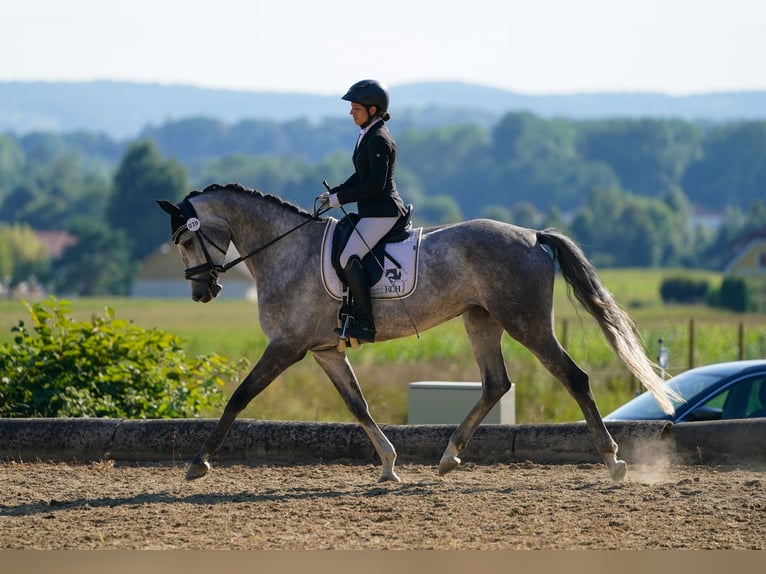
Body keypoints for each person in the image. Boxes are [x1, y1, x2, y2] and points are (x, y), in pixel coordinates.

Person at [319, 79, 406, 343]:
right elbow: (360, 176)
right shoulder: (368, 133)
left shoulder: (379, 138)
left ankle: (365, 324)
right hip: (373, 211)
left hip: (384, 212)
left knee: (348, 257)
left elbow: (374, 185)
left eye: (356, 108)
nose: (351, 112)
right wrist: (335, 193)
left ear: (372, 109)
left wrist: (340, 199)